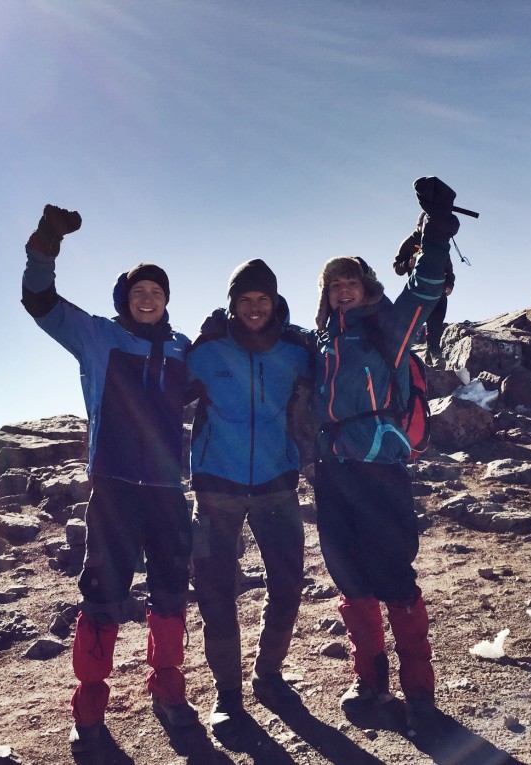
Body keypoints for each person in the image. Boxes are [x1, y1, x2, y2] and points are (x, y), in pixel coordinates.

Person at [21, 205, 197, 755]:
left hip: (168, 490)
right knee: (102, 595)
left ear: (166, 300)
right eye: (139, 291)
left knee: (170, 590)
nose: (148, 298)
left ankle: (168, 688)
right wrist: (44, 247)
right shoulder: (97, 335)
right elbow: (40, 302)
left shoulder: (182, 348)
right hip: (115, 488)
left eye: (157, 292)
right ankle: (90, 708)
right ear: (124, 298)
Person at [312, 177, 459, 737]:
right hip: (333, 473)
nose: (342, 291)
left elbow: (426, 288)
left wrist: (436, 232)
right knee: (350, 579)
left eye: (350, 282)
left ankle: (419, 691)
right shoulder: (319, 344)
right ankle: (370, 682)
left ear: (367, 287)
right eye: (334, 285)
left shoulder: (388, 329)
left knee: (395, 577)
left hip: (380, 472)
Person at [185, 259, 313, 736]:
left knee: (288, 584)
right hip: (217, 489)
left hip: (277, 484)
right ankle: (227, 695)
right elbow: (163, 395)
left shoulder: (296, 350)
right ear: (232, 305)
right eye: (245, 300)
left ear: (274, 302)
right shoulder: (207, 351)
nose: (254, 307)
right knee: (215, 591)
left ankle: (268, 675)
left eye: (262, 299)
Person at [393, 224, 455, 367]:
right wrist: (407, 264)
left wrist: (449, 284)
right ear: (420, 225)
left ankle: (434, 355)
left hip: (438, 291)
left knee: (436, 325)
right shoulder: (409, 242)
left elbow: (449, 270)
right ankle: (402, 359)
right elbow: (397, 267)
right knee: (410, 325)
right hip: (418, 292)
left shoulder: (439, 243)